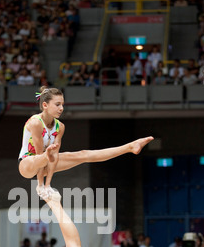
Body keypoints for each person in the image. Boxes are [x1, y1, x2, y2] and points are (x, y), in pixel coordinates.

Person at [18, 86, 154, 200]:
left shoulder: (60, 127)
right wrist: (40, 185)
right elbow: (39, 154)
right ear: (45, 105)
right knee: (43, 156)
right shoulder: (36, 122)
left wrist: (48, 185)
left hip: (48, 161)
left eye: (63, 105)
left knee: (83, 155)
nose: (61, 108)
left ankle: (129, 147)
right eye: (57, 105)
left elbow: (55, 157)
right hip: (27, 164)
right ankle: (41, 182)